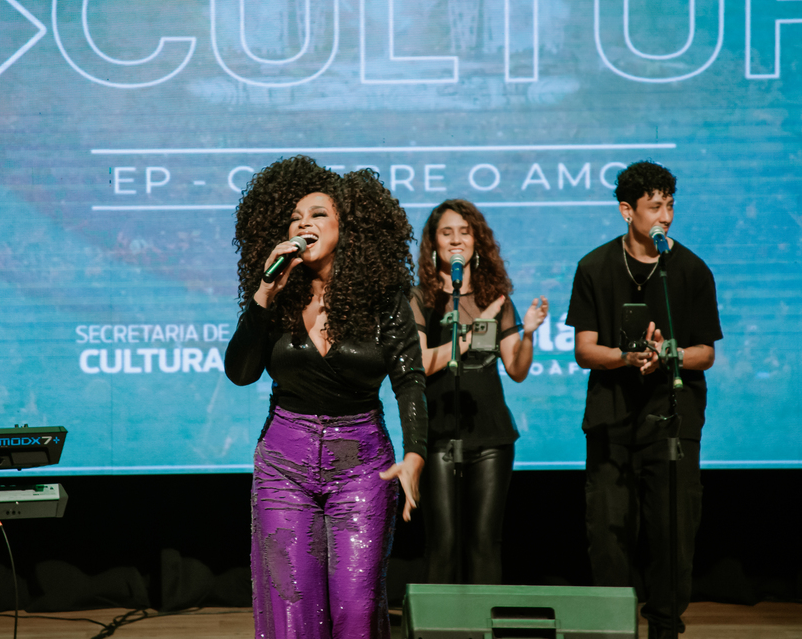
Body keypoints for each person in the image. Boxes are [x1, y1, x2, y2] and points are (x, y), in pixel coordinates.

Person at [224, 156, 427, 639]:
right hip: (284, 464)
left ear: (346, 228)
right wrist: (264, 294)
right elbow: (240, 373)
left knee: (356, 610)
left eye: (317, 214)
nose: (303, 224)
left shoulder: (383, 299)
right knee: (291, 607)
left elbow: (410, 380)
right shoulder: (280, 297)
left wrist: (416, 452)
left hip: (361, 464)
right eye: (295, 218)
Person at [565, 162, 722, 639]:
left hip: (673, 421)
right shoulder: (594, 267)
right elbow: (584, 350)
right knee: (607, 535)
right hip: (611, 420)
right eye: (655, 206)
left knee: (673, 535)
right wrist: (626, 358)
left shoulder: (691, 269)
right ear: (626, 210)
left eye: (670, 205)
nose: (665, 217)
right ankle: (613, 628)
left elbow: (706, 352)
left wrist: (669, 353)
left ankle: (665, 628)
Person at [410, 200, 549, 585]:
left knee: (485, 543)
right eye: (447, 232)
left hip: (492, 436)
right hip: (438, 434)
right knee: (443, 542)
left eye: (465, 232)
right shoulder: (420, 298)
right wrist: (469, 336)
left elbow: (516, 370)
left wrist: (529, 334)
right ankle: (439, 620)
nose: (456, 240)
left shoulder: (495, 298)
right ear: (434, 243)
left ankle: (482, 618)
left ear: (477, 241)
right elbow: (421, 364)